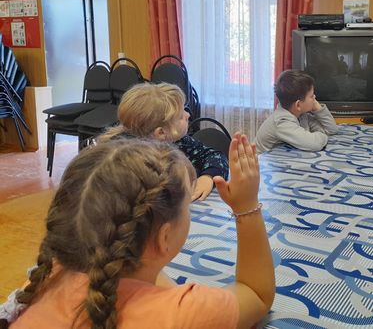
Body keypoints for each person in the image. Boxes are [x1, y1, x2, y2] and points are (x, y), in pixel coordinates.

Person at [2, 136, 275, 329]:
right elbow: (256, 294)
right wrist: (246, 206)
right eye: (188, 207)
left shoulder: (49, 275)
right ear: (164, 237)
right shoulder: (184, 313)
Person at [100, 82, 228, 201]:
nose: (188, 115)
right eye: (180, 116)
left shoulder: (180, 141)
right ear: (161, 132)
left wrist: (208, 176)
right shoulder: (122, 160)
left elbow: (215, 156)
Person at [255, 70, 338, 153]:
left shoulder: (301, 115)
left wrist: (318, 109)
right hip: (262, 160)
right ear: (298, 105)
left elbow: (331, 129)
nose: (314, 98)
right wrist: (322, 135)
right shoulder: (281, 122)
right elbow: (314, 143)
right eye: (311, 96)